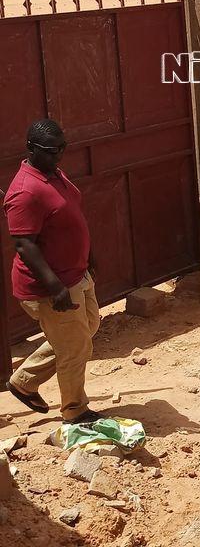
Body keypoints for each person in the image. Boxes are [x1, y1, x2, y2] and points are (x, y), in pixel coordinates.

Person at [3, 119, 102, 424]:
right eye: (50, 150)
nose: (58, 155)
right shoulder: (25, 192)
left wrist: (88, 255)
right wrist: (55, 287)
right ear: (30, 149)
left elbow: (70, 216)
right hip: (52, 285)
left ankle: (24, 381)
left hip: (76, 273)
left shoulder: (53, 173)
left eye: (61, 148)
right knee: (75, 347)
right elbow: (24, 245)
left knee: (88, 327)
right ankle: (75, 410)